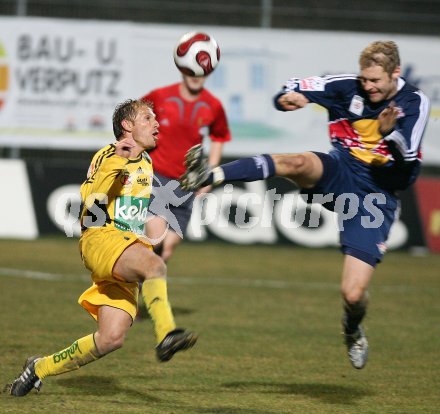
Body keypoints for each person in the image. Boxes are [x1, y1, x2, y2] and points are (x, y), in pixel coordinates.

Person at [180, 41, 430, 369]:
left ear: (395, 73)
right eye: (364, 79)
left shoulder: (414, 102)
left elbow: (407, 162)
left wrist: (389, 133)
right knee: (298, 161)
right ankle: (209, 174)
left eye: (375, 81)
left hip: (376, 196)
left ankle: (352, 327)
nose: (367, 87)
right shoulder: (345, 86)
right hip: (341, 170)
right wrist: (287, 99)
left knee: (353, 294)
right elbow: (292, 88)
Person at [5, 99, 197, 397]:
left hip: (123, 247)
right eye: (148, 118)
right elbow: (90, 197)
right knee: (155, 266)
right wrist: (116, 163)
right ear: (127, 126)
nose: (156, 124)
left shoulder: (145, 161)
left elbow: (134, 204)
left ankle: (38, 368)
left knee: (110, 338)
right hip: (102, 238)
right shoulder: (111, 154)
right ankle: (167, 334)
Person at [141, 74, 231, 262]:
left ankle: (142, 286)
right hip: (156, 178)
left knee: (165, 252)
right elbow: (135, 119)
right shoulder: (160, 96)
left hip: (186, 186)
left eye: (201, 72)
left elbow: (219, 137)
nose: (196, 77)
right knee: (156, 241)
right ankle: (133, 286)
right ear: (183, 69)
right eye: (191, 71)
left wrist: (210, 173)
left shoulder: (213, 104)